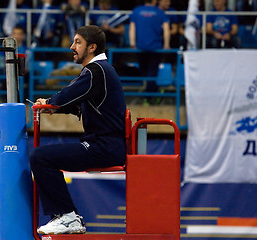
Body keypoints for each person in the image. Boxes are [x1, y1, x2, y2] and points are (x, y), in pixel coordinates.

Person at [30, 25, 126, 235]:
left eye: (77, 42)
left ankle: (66, 216)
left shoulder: (96, 70)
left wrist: (50, 103)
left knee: (40, 157)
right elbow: (79, 102)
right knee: (42, 156)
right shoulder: (99, 70)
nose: (72, 47)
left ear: (92, 47)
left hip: (105, 146)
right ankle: (65, 216)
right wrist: (55, 108)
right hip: (105, 144)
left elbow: (68, 94)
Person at [129, 0, 170, 95]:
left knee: (145, 72)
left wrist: (132, 43)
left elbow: (132, 28)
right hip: (155, 48)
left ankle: (150, 94)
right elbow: (166, 29)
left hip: (140, 47)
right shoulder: (160, 12)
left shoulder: (136, 11)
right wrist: (166, 44)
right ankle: (151, 95)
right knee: (151, 73)